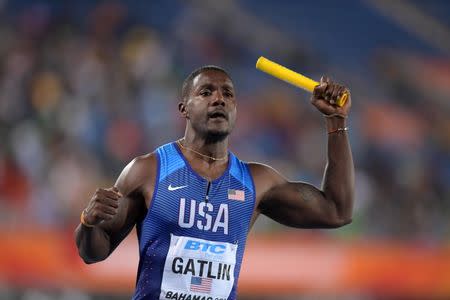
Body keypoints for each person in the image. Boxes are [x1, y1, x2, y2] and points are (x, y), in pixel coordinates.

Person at [75, 65, 354, 300]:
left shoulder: (256, 181)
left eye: (228, 94)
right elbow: (93, 253)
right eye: (206, 92)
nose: (219, 99)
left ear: (235, 109)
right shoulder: (148, 171)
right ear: (184, 108)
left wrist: (336, 123)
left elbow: (336, 211)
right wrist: (88, 222)